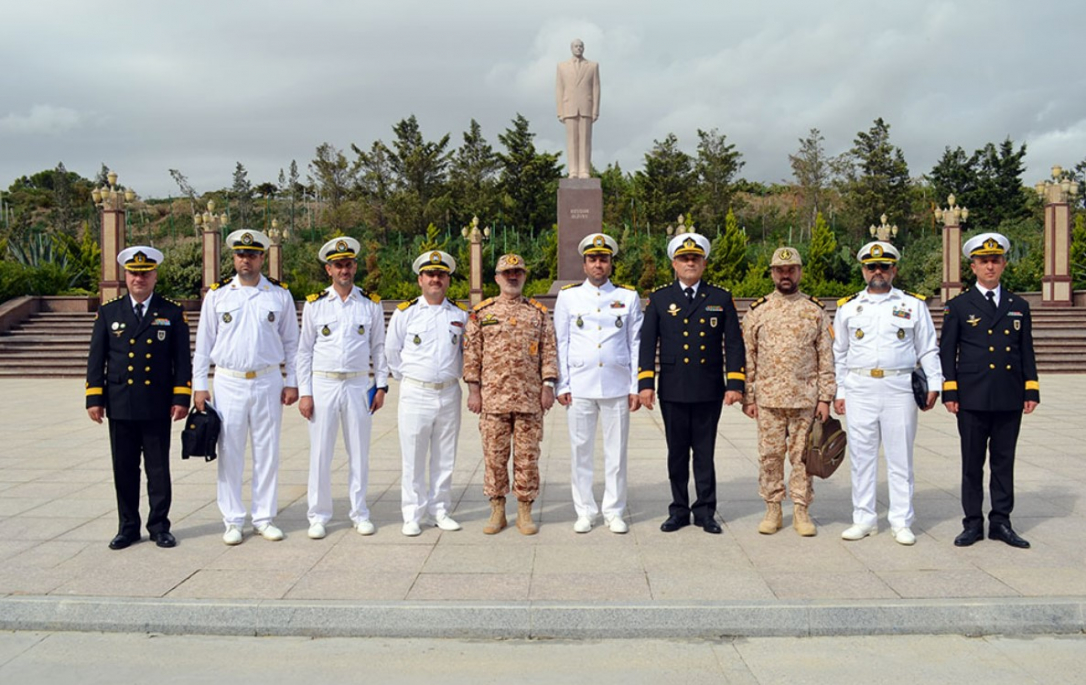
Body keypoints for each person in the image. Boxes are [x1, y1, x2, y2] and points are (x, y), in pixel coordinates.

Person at [193, 229, 299, 545]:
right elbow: (203, 345)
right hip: (229, 381)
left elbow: (292, 344)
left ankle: (264, 517)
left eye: (252, 255)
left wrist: (292, 382)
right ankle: (233, 519)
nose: (246, 260)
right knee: (230, 451)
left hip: (268, 379)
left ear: (262, 258)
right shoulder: (218, 295)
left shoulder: (279, 295)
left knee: (267, 451)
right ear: (234, 257)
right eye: (241, 254)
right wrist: (199, 385)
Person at [833, 241, 941, 546]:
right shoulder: (848, 307)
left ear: (894, 269)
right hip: (860, 387)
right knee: (862, 456)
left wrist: (935, 383)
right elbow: (839, 352)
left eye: (884, 266)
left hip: (899, 387)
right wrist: (840, 391)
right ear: (863, 270)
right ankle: (863, 518)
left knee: (900, 457)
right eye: (871, 267)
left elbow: (928, 347)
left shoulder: (913, 304)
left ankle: (901, 520)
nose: (877, 272)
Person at [637, 232, 745, 534]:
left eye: (695, 258)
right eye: (684, 258)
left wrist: (734, 383)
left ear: (704, 263)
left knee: (705, 453)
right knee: (677, 453)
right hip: (672, 388)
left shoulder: (720, 298)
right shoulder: (660, 298)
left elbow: (734, 343)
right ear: (674, 263)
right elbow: (648, 345)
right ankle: (679, 510)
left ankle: (706, 511)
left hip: (708, 388)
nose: (689, 263)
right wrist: (646, 383)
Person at [86, 246, 192, 550]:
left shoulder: (171, 312)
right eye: (134, 274)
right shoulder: (109, 312)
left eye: (145, 274)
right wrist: (95, 397)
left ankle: (159, 525)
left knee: (158, 470)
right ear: (126, 276)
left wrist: (181, 396)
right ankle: (128, 526)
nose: (139, 279)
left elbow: (181, 359)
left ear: (155, 276)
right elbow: (97, 359)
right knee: (124, 468)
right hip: (120, 402)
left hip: (157, 402)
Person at [940, 232, 1039, 549]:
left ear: (1004, 264)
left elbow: (1026, 350)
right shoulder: (958, 306)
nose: (990, 267)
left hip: (1008, 395)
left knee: (1003, 462)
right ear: (973, 267)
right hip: (972, 397)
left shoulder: (1018, 305)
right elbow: (947, 352)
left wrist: (1031, 389)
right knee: (971, 464)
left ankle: (1001, 522)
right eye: (984, 261)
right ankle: (971, 524)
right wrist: (950, 392)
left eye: (995, 261)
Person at [295, 237, 388, 540]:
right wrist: (305, 392)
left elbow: (379, 347)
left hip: (358, 383)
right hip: (323, 383)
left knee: (359, 451)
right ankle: (318, 515)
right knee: (321, 453)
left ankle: (360, 512)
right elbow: (304, 351)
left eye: (348, 264)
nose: (344, 270)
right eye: (338, 265)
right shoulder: (315, 304)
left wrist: (382, 385)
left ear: (355, 266)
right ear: (329, 270)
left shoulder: (370, 304)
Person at [741, 247, 835, 537]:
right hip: (768, 399)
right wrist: (749, 396)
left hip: (804, 399)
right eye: (780, 270)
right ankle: (772, 508)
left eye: (791, 269)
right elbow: (748, 357)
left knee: (804, 458)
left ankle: (800, 510)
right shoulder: (758, 312)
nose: (786, 275)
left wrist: (825, 398)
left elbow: (826, 356)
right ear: (771, 273)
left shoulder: (814, 310)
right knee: (770, 456)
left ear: (800, 272)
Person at [463, 254, 558, 535]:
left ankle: (525, 511)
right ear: (497, 278)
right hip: (493, 399)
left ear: (524, 276)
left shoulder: (538, 314)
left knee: (528, 457)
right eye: (507, 273)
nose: (512, 277)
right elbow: (472, 355)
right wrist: (473, 392)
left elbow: (549, 352)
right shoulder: (482, 313)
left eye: (517, 272)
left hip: (529, 399)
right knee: (494, 456)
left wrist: (548, 386)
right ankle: (497, 510)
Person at [554, 233, 643, 534]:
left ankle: (614, 510)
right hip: (580, 384)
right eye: (593, 259)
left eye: (603, 259)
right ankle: (585, 510)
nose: (598, 264)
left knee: (616, 453)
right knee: (581, 451)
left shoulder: (628, 297)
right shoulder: (568, 296)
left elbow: (635, 343)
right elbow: (561, 342)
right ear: (584, 264)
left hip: (616, 384)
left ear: (610, 264)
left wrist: (634, 386)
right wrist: (562, 385)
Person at [386, 249, 467, 537]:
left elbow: (464, 352)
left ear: (448, 280)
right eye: (430, 275)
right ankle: (412, 513)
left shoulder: (459, 314)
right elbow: (392, 352)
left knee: (445, 456)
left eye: (441, 275)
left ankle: (440, 510)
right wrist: (408, 378)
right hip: (416, 392)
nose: (436, 279)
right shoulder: (405, 312)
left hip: (448, 393)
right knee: (414, 456)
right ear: (420, 279)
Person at [555, 38, 600, 179]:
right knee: (572, 141)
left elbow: (596, 88)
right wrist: (560, 111)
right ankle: (573, 170)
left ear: (584, 48)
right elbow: (559, 89)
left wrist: (596, 110)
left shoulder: (592, 66)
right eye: (576, 46)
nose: (578, 48)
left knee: (585, 141)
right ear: (571, 48)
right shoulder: (562, 66)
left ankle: (584, 170)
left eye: (581, 46)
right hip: (569, 107)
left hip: (586, 107)